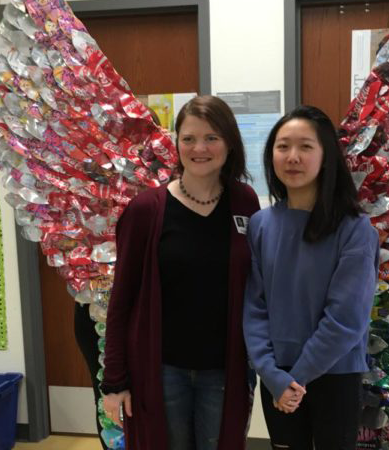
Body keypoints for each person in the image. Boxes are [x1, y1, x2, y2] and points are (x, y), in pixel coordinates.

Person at [100, 95, 261, 450]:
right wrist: (115, 380)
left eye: (211, 138)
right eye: (188, 138)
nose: (199, 148)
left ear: (229, 143)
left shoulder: (245, 203)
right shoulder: (146, 211)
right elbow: (122, 301)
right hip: (160, 371)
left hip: (223, 370)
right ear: (176, 144)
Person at [243, 105, 380, 450]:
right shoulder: (261, 225)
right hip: (277, 376)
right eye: (283, 146)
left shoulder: (354, 228)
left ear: (326, 156)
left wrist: (297, 378)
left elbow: (346, 317)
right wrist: (273, 375)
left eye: (305, 147)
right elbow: (253, 308)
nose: (293, 157)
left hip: (335, 372)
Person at [73, 105, 164, 450]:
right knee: (110, 404)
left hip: (148, 313)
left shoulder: (167, 185)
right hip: (96, 312)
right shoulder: (87, 182)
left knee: (151, 405)